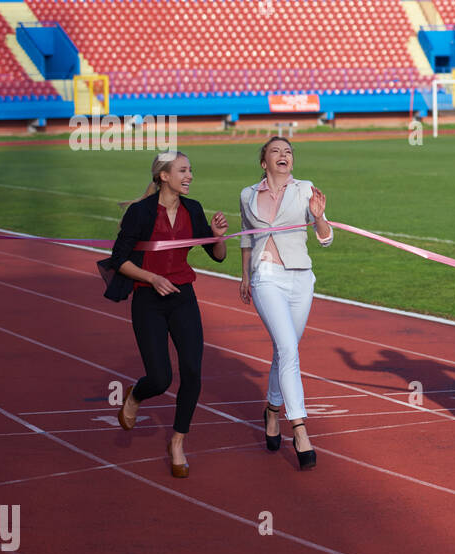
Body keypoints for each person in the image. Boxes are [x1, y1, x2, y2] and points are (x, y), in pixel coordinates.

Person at [110, 151, 228, 477]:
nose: (189, 176)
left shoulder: (194, 209)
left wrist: (218, 237)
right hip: (148, 299)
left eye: (190, 170)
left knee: (192, 370)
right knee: (160, 379)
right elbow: (119, 260)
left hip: (182, 297)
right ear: (164, 176)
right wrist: (152, 278)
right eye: (182, 170)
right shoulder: (141, 212)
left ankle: (177, 441)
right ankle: (135, 395)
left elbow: (217, 255)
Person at [239, 136, 332, 470]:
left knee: (285, 350)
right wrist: (246, 275)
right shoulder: (247, 195)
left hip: (300, 277)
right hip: (266, 276)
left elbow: (325, 239)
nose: (284, 155)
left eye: (288, 152)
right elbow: (247, 237)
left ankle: (271, 409)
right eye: (276, 151)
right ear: (264, 161)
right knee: (290, 351)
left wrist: (319, 217)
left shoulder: (305, 189)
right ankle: (301, 430)